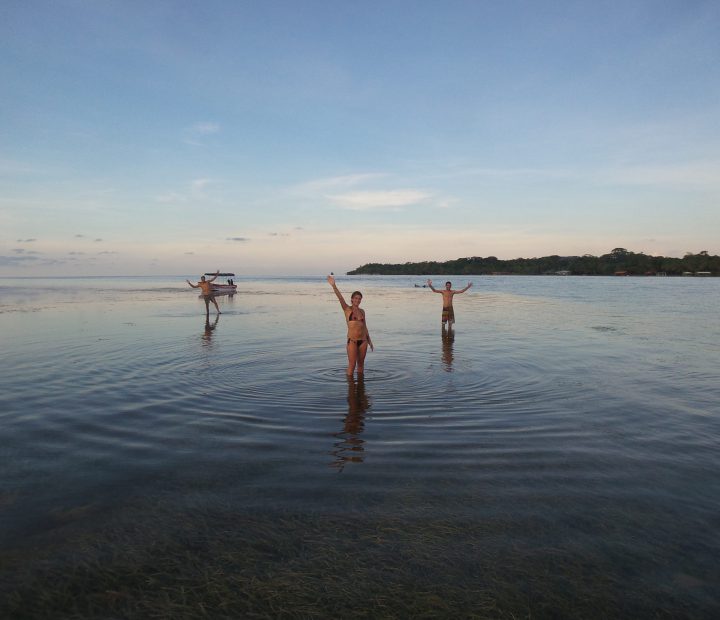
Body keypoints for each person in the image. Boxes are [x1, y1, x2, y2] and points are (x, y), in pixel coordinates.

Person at [327, 275, 373, 376]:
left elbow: (365, 327)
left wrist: (369, 341)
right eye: (356, 298)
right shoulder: (347, 309)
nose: (358, 300)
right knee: (352, 365)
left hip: (363, 341)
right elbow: (340, 298)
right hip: (352, 341)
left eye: (359, 299)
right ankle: (351, 389)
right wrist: (334, 286)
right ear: (352, 299)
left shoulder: (362, 311)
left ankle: (361, 389)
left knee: (361, 366)